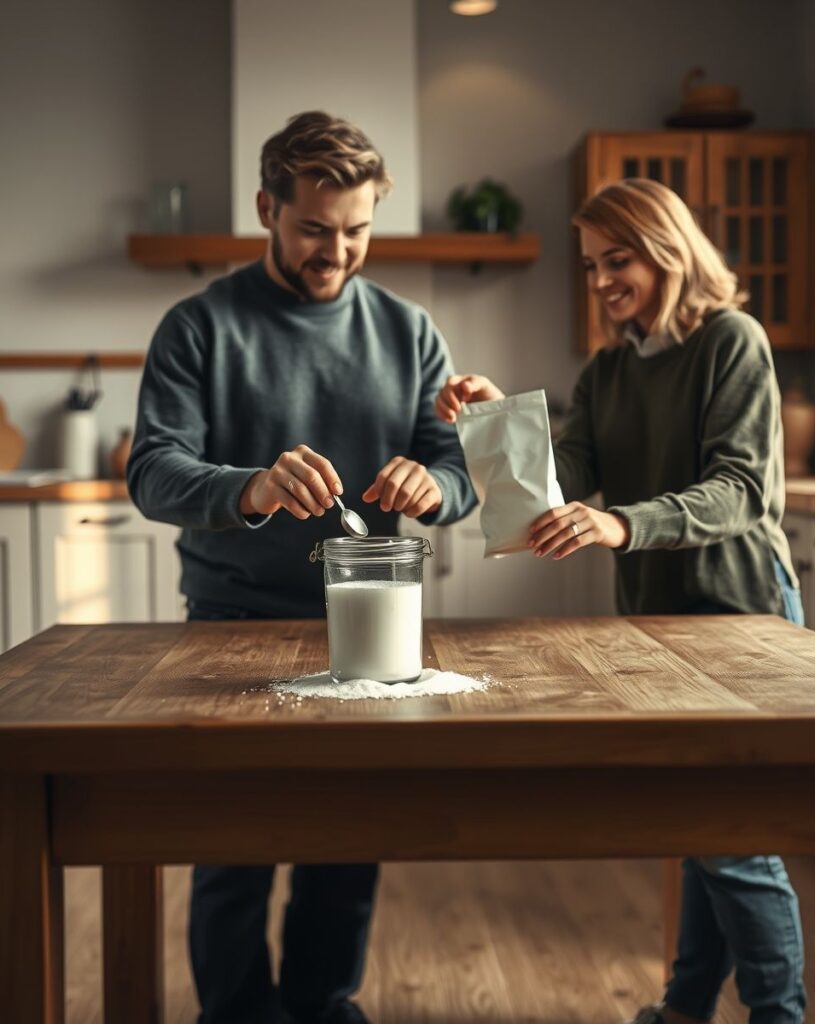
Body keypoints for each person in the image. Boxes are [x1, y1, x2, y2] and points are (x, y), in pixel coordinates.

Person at [128, 110, 476, 1024]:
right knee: (233, 847)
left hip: (373, 624)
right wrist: (252, 487)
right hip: (233, 624)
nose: (338, 250)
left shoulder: (409, 332)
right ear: (266, 210)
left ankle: (324, 1004)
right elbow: (153, 471)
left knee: (347, 837)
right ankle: (235, 1013)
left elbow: (460, 471)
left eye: (357, 230)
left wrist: (432, 485)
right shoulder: (199, 326)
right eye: (315, 228)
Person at [435, 178, 805, 1024]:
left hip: (742, 613)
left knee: (734, 838)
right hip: (658, 619)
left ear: (666, 248)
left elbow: (742, 491)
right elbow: (559, 481)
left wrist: (619, 525)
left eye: (619, 258)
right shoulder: (606, 371)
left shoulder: (732, 343)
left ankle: (778, 1016)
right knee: (704, 825)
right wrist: (495, 421)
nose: (602, 280)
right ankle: (684, 1008)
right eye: (594, 265)